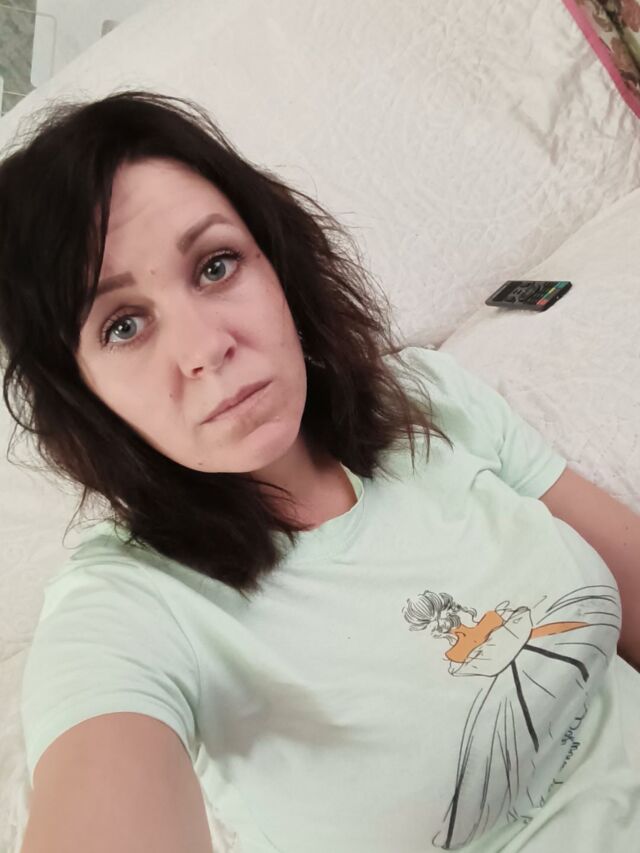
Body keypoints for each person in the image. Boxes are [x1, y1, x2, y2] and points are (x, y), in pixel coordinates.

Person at [0, 90, 638, 853]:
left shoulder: (427, 395)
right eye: (123, 325)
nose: (205, 346)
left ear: (277, 261)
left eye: (215, 265)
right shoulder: (132, 610)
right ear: (82, 393)